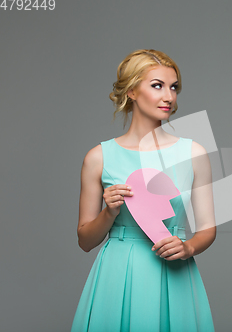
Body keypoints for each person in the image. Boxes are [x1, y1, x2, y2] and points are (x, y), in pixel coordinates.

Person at [72, 49, 216, 331]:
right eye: (157, 86)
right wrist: (109, 212)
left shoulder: (193, 152)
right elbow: (85, 241)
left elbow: (208, 229)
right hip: (117, 273)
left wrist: (187, 247)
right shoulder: (98, 157)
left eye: (174, 87)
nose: (169, 96)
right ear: (132, 91)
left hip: (173, 273)